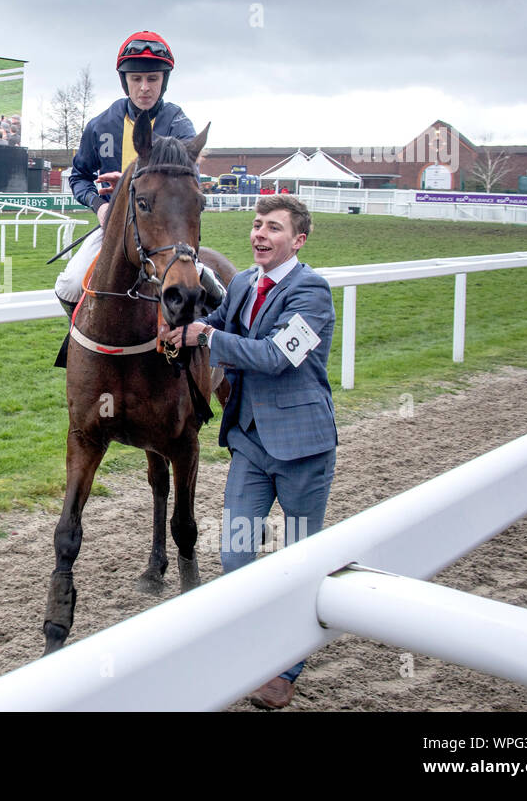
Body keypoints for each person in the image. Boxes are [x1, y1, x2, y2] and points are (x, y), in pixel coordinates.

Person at [168, 195, 337, 710]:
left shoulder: (313, 291)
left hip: (303, 448)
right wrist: (178, 326)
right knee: (236, 554)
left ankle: (286, 667)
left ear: (299, 240)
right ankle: (247, 652)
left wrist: (208, 335)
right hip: (249, 442)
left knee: (297, 559)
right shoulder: (243, 282)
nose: (260, 234)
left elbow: (276, 356)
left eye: (274, 228)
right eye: (257, 225)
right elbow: (214, 323)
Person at [53, 30, 224, 327]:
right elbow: (79, 176)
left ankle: (209, 352)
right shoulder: (100, 126)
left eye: (153, 79)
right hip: (115, 226)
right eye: (136, 79)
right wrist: (101, 205)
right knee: (68, 284)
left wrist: (132, 184)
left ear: (163, 81)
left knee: (215, 292)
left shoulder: (179, 125)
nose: (144, 87)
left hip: (166, 231)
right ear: (125, 82)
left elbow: (188, 181)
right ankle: (81, 343)